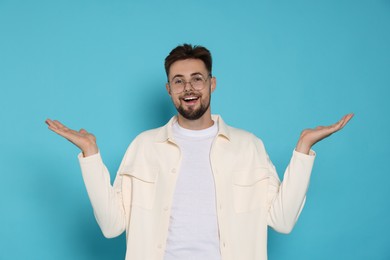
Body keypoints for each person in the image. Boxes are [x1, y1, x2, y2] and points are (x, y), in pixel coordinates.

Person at [45, 44, 353, 260]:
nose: (188, 88)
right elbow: (112, 226)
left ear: (212, 84)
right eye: (178, 81)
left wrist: (303, 149)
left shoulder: (248, 147)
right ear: (169, 89)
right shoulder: (144, 146)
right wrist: (90, 153)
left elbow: (283, 220)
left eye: (197, 79)